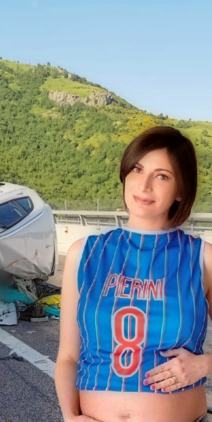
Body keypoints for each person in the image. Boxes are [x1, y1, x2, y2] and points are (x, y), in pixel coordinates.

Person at [55, 126, 212, 422]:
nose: (144, 185)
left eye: (162, 175)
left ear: (181, 190)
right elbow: (68, 358)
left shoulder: (202, 258)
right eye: (138, 169)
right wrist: (69, 417)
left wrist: (204, 365)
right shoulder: (83, 254)